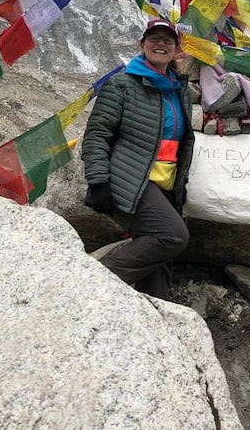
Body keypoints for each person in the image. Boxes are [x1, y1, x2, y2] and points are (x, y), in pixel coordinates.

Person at [81, 18, 194, 300]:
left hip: (164, 184)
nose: (160, 44)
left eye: (167, 40)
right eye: (153, 38)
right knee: (172, 236)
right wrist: (98, 182)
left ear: (176, 48)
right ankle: (89, 287)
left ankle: (155, 311)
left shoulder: (178, 89)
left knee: (157, 262)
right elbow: (97, 134)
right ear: (142, 45)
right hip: (130, 180)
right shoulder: (122, 84)